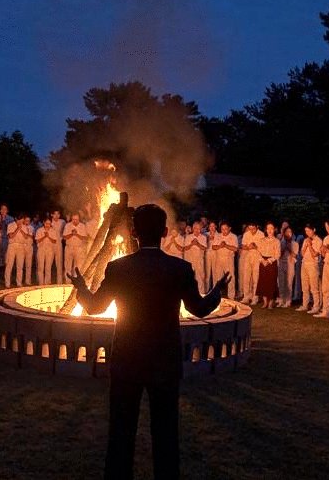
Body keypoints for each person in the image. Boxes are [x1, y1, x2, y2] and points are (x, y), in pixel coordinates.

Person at [69, 204, 226, 479]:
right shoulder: (179, 268)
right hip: (164, 361)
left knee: (121, 430)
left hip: (127, 360)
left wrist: (81, 287)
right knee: (165, 431)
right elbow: (199, 309)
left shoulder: (119, 268)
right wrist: (217, 292)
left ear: (133, 232)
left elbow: (94, 306)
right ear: (165, 232)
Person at [255, 222, 281, 308]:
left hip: (271, 263)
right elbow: (258, 251)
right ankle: (265, 302)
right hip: (262, 262)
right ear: (266, 230)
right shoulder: (262, 240)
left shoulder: (277, 241)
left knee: (271, 282)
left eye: (271, 228)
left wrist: (269, 261)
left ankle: (271, 302)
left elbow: (278, 254)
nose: (270, 230)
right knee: (263, 282)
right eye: (268, 228)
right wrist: (262, 260)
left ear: (274, 230)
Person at [210, 221, 238, 300]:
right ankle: (217, 295)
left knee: (230, 278)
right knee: (218, 278)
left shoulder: (233, 236)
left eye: (226, 229)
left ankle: (231, 296)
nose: (224, 231)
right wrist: (219, 246)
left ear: (229, 228)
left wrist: (226, 245)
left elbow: (235, 248)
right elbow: (213, 247)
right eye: (222, 229)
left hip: (228, 259)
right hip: (219, 259)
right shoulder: (218, 236)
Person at [298, 224, 322, 313]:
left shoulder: (318, 240)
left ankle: (316, 306)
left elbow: (315, 254)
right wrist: (306, 244)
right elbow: (302, 253)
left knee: (314, 287)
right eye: (306, 231)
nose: (307, 233)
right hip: (304, 263)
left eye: (309, 230)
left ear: (314, 230)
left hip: (313, 265)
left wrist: (310, 245)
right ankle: (305, 304)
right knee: (305, 286)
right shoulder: (305, 240)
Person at [238, 223, 263, 305]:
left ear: (257, 227)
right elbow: (243, 246)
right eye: (250, 228)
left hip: (257, 256)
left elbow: (263, 247)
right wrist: (248, 247)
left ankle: (255, 297)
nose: (251, 231)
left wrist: (255, 246)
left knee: (256, 277)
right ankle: (246, 297)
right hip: (248, 256)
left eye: (253, 229)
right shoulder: (246, 234)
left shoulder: (261, 234)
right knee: (246, 277)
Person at [182, 221, 208, 294]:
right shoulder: (188, 237)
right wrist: (191, 244)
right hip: (190, 260)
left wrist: (197, 244)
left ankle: (201, 293)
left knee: (200, 277)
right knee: (189, 277)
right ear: (193, 228)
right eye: (196, 228)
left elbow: (204, 248)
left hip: (199, 260)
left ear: (201, 229)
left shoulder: (203, 237)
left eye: (199, 229)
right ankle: (188, 294)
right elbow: (184, 248)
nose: (197, 230)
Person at [63, 213, 90, 282]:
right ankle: (68, 281)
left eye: (76, 219)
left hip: (79, 248)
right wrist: (72, 234)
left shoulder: (82, 226)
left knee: (78, 265)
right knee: (67, 265)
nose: (75, 221)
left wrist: (76, 234)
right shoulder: (67, 225)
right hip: (69, 247)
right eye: (73, 219)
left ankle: (77, 281)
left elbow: (84, 238)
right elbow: (65, 237)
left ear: (79, 219)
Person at [277, 225, 298, 307]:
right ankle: (281, 300)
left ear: (292, 234)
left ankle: (288, 301)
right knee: (281, 282)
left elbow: (294, 255)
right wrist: (283, 247)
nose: (288, 234)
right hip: (281, 263)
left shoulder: (295, 244)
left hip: (290, 264)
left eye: (290, 232)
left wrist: (288, 247)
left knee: (289, 283)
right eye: (287, 232)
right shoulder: (280, 243)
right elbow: (278, 255)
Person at [35, 217, 59, 284]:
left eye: (49, 223)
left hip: (50, 250)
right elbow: (37, 241)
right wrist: (44, 236)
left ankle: (47, 282)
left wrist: (48, 236)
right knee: (40, 267)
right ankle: (41, 283)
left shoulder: (53, 231)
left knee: (48, 267)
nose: (47, 225)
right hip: (41, 249)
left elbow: (54, 241)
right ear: (43, 223)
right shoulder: (39, 230)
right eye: (46, 223)